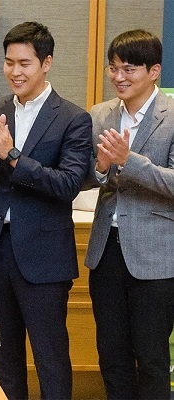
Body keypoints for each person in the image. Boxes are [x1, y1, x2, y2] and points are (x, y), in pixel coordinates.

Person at [0, 21, 92, 399]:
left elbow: (67, 185)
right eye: (9, 63)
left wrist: (13, 156)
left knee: (51, 357)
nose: (14, 72)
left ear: (46, 63)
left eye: (24, 63)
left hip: (44, 257)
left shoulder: (72, 118)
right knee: (3, 356)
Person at [84, 29, 174, 400]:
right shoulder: (100, 115)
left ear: (154, 71)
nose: (119, 77)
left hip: (156, 258)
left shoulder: (172, 116)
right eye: (113, 68)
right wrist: (101, 167)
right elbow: (87, 175)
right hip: (106, 251)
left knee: (151, 359)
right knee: (112, 356)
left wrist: (128, 161)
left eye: (129, 69)